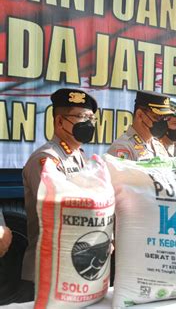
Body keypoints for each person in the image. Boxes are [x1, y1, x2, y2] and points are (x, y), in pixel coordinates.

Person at [20, 88, 98, 302]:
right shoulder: (46, 160)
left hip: (74, 268)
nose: (88, 123)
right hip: (47, 272)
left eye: (91, 118)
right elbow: (59, 210)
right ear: (59, 121)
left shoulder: (78, 157)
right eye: (81, 117)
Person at [107, 90, 175, 160]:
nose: (161, 122)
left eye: (164, 118)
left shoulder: (158, 146)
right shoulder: (123, 147)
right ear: (139, 115)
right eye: (156, 117)